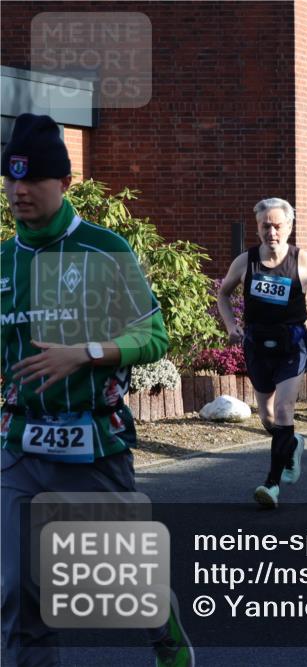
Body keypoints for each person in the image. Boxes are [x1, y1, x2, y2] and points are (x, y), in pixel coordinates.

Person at [1, 114, 193, 665]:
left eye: (33, 179)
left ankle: (166, 635)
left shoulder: (103, 248)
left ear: (63, 184)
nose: (19, 191)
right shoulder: (4, 261)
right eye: (11, 180)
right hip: (19, 445)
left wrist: (84, 353)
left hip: (92, 443)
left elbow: (153, 334)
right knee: (18, 592)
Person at [217, 198, 307, 508]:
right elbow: (223, 294)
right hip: (257, 342)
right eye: (265, 226)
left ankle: (272, 484)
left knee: (283, 410)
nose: (271, 232)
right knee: (267, 417)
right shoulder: (245, 261)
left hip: (292, 342)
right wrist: (231, 326)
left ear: (289, 227)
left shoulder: (304, 260)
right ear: (258, 227)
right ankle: (292, 442)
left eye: (277, 225)